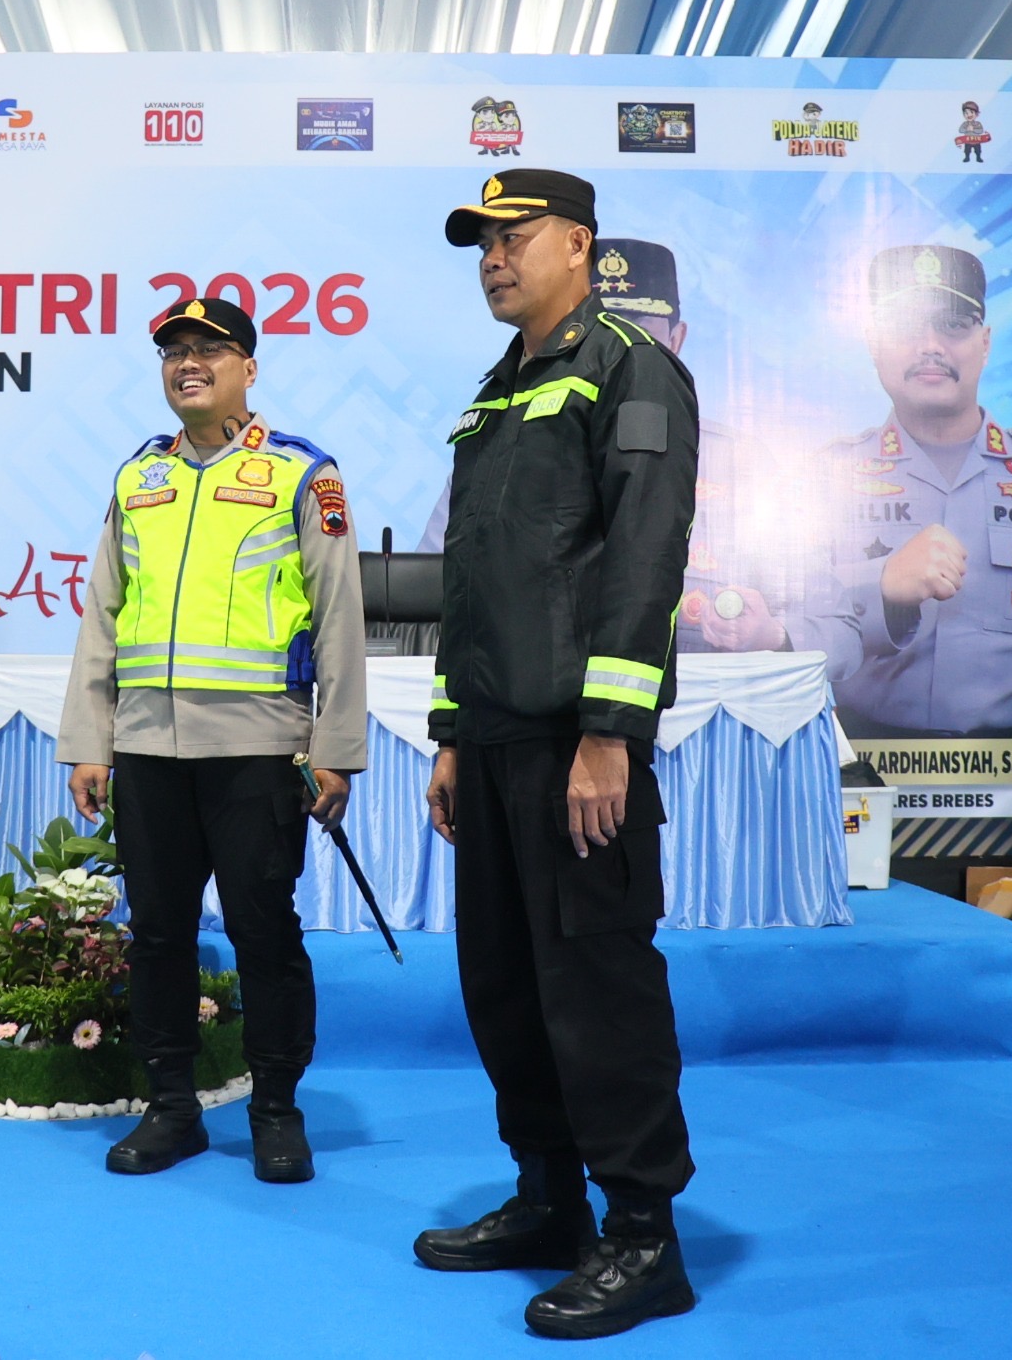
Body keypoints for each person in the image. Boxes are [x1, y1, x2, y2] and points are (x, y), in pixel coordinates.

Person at [413, 168, 700, 1340]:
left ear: (578, 244)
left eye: (513, 236)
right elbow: (470, 576)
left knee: (597, 992)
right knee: (505, 985)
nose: (492, 257)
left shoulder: (628, 367)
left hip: (574, 744)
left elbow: (643, 554)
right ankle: (548, 1196)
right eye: (479, 241)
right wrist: (449, 731)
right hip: (491, 741)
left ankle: (641, 1234)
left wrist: (608, 735)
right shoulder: (498, 389)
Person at [56, 295, 367, 1184]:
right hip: (148, 747)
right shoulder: (138, 477)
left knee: (265, 932)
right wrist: (90, 739)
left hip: (258, 749)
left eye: (209, 350)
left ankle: (275, 1109)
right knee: (157, 933)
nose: (187, 363)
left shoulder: (303, 474)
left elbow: (340, 617)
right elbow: (103, 614)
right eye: (173, 352)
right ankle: (171, 1107)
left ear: (249, 369)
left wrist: (336, 748)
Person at [421, 235, 792, 653]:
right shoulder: (495, 448)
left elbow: (831, 622)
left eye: (637, 333)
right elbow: (429, 594)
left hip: (710, 685)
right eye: (595, 334)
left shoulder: (743, 464)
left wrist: (772, 636)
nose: (615, 353)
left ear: (676, 340)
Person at [813, 244, 1012, 737]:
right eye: (906, 326)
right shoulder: (824, 479)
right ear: (873, 342)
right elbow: (787, 622)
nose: (930, 345)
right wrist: (881, 585)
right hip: (858, 759)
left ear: (985, 342)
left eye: (953, 324)